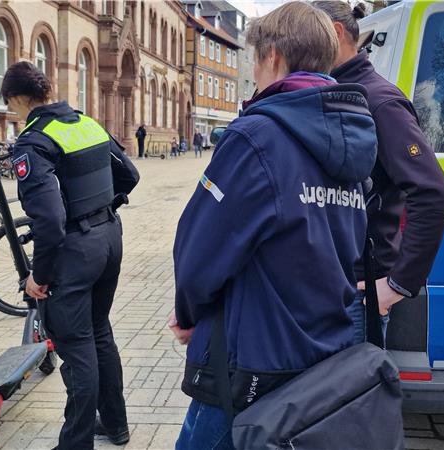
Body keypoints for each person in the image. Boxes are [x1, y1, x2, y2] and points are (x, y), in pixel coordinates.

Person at [168, 3, 377, 449]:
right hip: (326, 354)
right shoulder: (355, 135)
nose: (255, 74)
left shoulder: (256, 137)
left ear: (274, 57)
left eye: (255, 60)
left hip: (250, 364)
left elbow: (200, 248)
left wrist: (187, 314)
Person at [0, 61, 140, 450]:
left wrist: (38, 277)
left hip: (75, 251)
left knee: (77, 348)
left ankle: (75, 443)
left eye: (10, 106)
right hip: (109, 237)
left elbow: (49, 220)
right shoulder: (85, 121)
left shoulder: (33, 142)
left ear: (17, 98)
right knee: (99, 334)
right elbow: (130, 175)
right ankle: (116, 424)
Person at [314, 1, 444, 344]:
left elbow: (433, 193)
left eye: (306, 36)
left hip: (358, 296)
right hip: (328, 289)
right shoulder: (331, 92)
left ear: (334, 33)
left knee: (352, 397)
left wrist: (397, 285)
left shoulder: (378, 101)